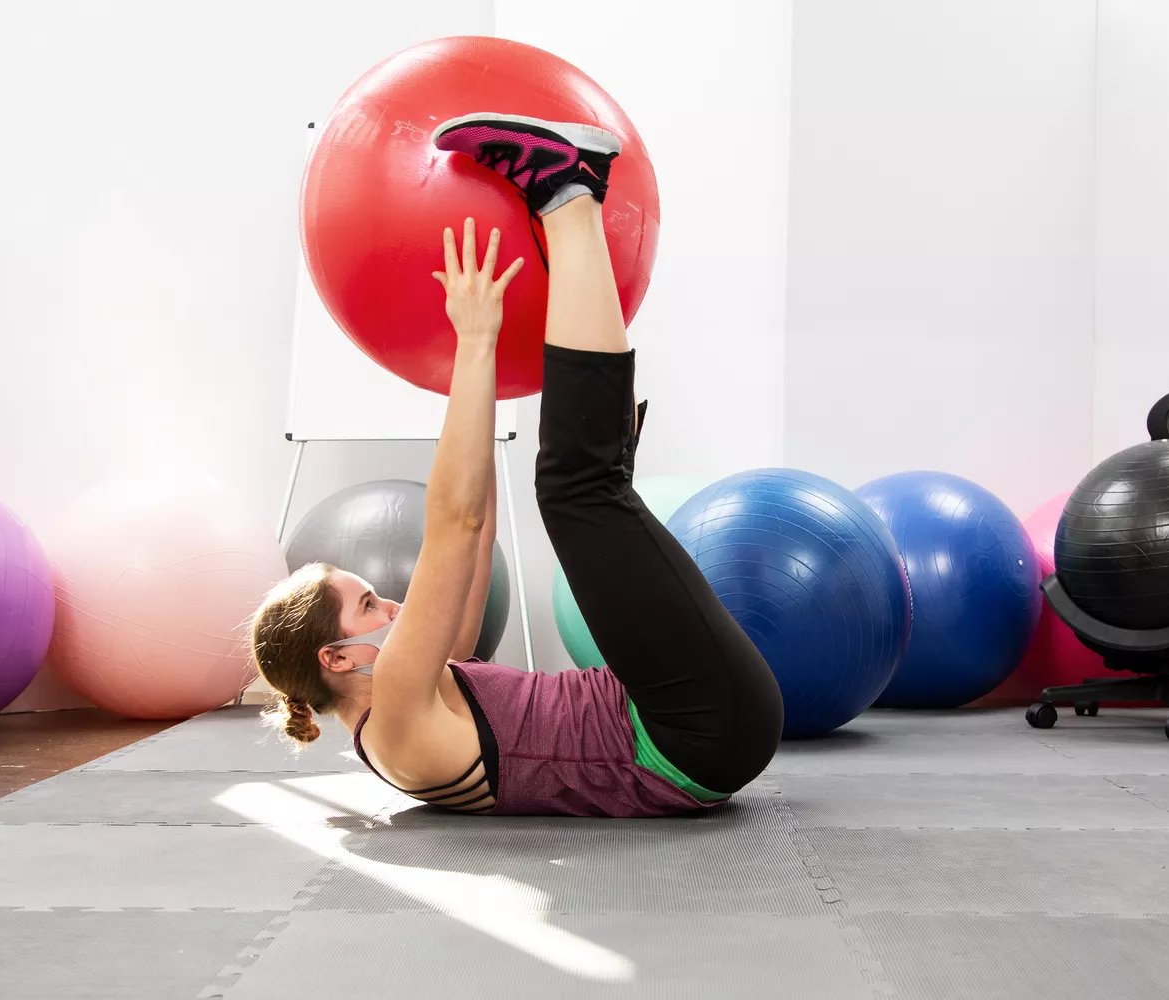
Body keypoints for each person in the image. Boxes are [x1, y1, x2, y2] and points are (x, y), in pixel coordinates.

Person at [250, 112, 783, 816]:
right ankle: (569, 193)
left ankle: (573, 202)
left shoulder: (426, 691)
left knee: (585, 488)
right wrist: (473, 339)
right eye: (368, 604)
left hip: (691, 714)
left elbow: (475, 532)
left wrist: (478, 368)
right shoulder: (401, 718)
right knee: (578, 490)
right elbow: (454, 523)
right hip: (693, 735)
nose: (392, 602)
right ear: (338, 661)